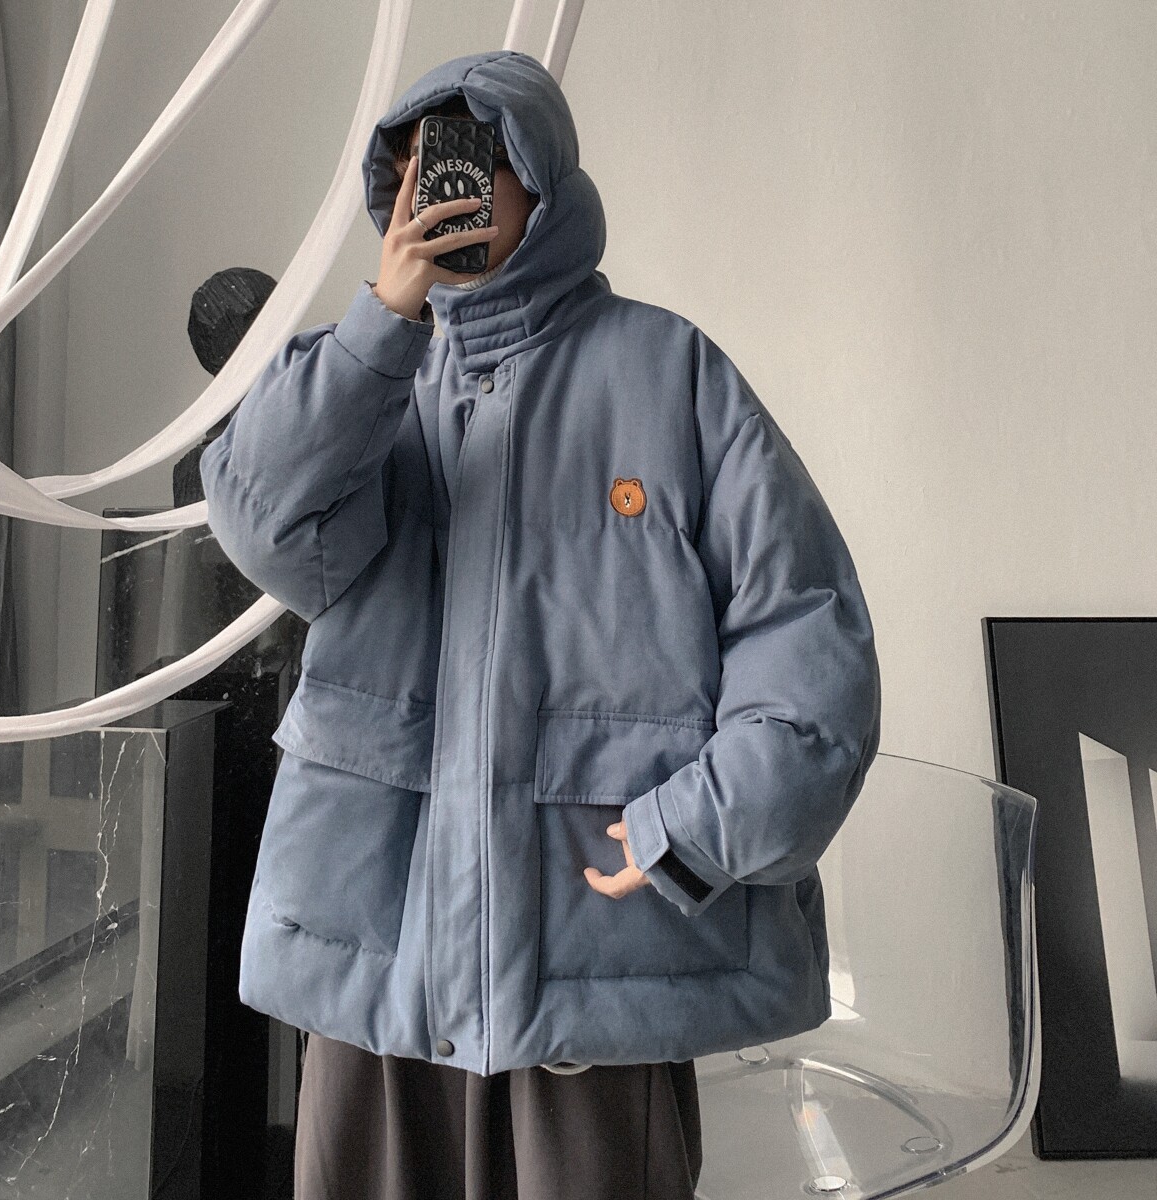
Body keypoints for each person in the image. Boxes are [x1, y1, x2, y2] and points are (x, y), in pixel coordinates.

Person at [199, 49, 881, 1200]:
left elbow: (811, 648)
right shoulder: (369, 389)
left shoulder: (673, 375)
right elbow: (264, 524)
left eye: (473, 159)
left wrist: (688, 831)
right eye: (417, 171)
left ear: (540, 177)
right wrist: (380, 324)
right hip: (380, 976)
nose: (442, 191)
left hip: (597, 982)